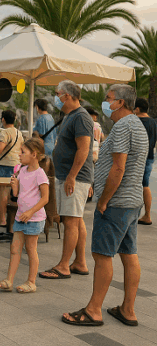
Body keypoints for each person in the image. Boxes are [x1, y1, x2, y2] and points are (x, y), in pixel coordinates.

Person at [62, 84, 148, 327]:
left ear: (120, 102)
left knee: (102, 255)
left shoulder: (122, 126)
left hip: (116, 203)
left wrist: (103, 200)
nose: (105, 102)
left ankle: (93, 310)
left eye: (109, 98)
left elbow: (118, 168)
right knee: (129, 254)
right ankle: (127, 310)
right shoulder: (138, 125)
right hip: (132, 201)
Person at [40, 80, 93, 280]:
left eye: (57, 94)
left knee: (70, 221)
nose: (56, 98)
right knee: (76, 220)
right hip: (68, 176)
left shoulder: (81, 117)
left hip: (74, 178)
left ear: (67, 95)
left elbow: (84, 149)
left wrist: (72, 176)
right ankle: (80, 262)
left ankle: (63, 265)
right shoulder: (70, 116)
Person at [0, 138, 49, 294]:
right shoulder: (22, 171)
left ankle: (31, 282)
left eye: (23, 152)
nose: (19, 154)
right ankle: (9, 280)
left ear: (34, 154)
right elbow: (19, 195)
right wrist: (15, 188)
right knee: (14, 248)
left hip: (34, 218)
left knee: (31, 249)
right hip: (20, 217)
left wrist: (30, 212)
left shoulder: (40, 174)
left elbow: (45, 198)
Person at [0, 110, 24, 227]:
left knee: (3, 192)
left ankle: (1, 220)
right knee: (13, 192)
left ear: (3, 119)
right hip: (17, 165)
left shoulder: (5, 132)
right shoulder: (19, 133)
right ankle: (12, 220)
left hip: (5, 165)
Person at [134, 98, 157, 225]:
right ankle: (147, 214)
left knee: (136, 186)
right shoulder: (153, 122)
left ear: (137, 109)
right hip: (149, 157)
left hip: (138, 158)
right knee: (145, 185)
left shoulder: (137, 121)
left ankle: (135, 215)